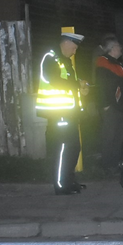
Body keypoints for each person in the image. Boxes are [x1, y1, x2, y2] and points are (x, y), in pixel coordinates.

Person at [36, 27, 88, 195]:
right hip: (58, 114)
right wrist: (76, 85)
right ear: (65, 43)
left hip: (69, 113)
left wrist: (81, 86)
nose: (74, 51)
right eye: (74, 47)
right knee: (64, 149)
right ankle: (61, 185)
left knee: (73, 148)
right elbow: (55, 81)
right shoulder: (51, 58)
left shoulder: (64, 61)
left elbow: (68, 82)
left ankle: (69, 181)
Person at [93, 33, 123, 171]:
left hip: (120, 108)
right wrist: (105, 105)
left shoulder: (115, 63)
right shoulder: (104, 62)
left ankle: (114, 164)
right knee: (110, 137)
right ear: (112, 48)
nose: (121, 48)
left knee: (117, 138)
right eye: (118, 46)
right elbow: (102, 85)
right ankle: (107, 165)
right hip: (113, 108)